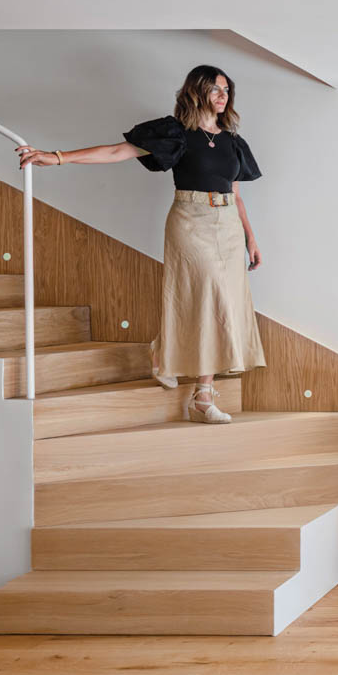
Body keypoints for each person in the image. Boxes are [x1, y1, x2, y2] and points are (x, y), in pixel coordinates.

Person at [17, 64, 266, 423]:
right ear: (197, 93)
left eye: (226, 89)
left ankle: (199, 391)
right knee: (205, 293)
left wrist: (250, 238)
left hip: (227, 225)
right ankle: (191, 382)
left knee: (223, 301)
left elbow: (236, 193)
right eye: (214, 89)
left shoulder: (232, 141)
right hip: (190, 220)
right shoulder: (176, 133)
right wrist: (58, 158)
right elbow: (118, 152)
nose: (222, 96)